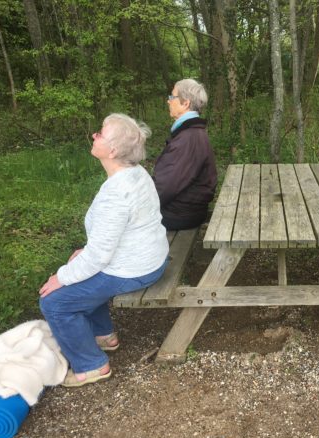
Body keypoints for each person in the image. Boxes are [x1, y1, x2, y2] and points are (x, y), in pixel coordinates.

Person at [39, 114, 169, 387]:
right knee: (80, 268)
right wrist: (82, 257)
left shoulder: (117, 194)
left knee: (54, 302)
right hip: (150, 258)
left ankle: (92, 365)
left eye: (100, 134)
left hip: (135, 269)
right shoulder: (136, 172)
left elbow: (98, 258)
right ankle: (104, 336)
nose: (94, 136)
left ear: (112, 151)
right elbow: (101, 247)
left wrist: (60, 277)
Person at [153, 78, 217, 230]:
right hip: (187, 209)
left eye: (172, 97)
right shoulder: (192, 133)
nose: (168, 101)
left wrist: (140, 208)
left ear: (185, 103)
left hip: (180, 214)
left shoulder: (188, 139)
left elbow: (165, 188)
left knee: (125, 223)